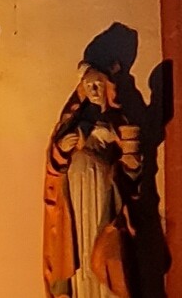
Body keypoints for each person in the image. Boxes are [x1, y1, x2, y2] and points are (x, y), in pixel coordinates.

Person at [43, 64, 143, 298]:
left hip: (102, 190)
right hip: (75, 195)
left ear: (108, 87)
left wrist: (127, 153)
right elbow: (53, 168)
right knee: (78, 244)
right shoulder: (70, 122)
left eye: (98, 84)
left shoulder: (116, 121)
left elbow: (131, 167)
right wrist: (61, 148)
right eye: (89, 86)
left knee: (102, 243)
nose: (94, 90)